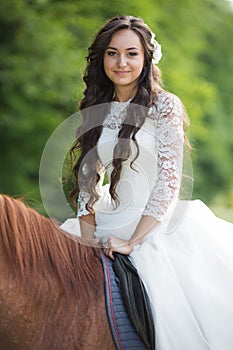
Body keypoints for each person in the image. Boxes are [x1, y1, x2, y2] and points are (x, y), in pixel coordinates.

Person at [66, 15, 233, 350]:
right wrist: (86, 241)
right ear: (102, 58)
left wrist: (135, 241)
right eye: (112, 53)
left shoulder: (165, 106)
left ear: (146, 59)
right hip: (105, 224)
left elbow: (168, 182)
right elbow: (89, 182)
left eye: (131, 53)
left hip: (155, 227)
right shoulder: (95, 108)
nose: (121, 62)